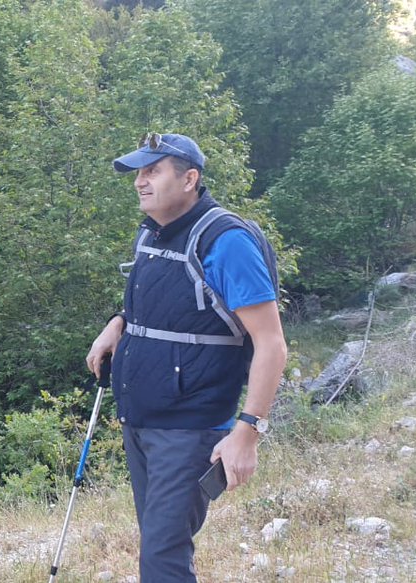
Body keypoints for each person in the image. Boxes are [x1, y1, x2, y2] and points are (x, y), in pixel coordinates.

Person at [85, 133, 287, 582]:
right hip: (141, 418)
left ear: (190, 179)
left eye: (153, 171)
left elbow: (272, 343)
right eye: (139, 172)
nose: (140, 181)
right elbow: (172, 304)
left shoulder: (225, 242)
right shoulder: (152, 232)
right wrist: (118, 323)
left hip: (190, 427)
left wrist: (248, 432)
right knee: (158, 546)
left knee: (163, 558)